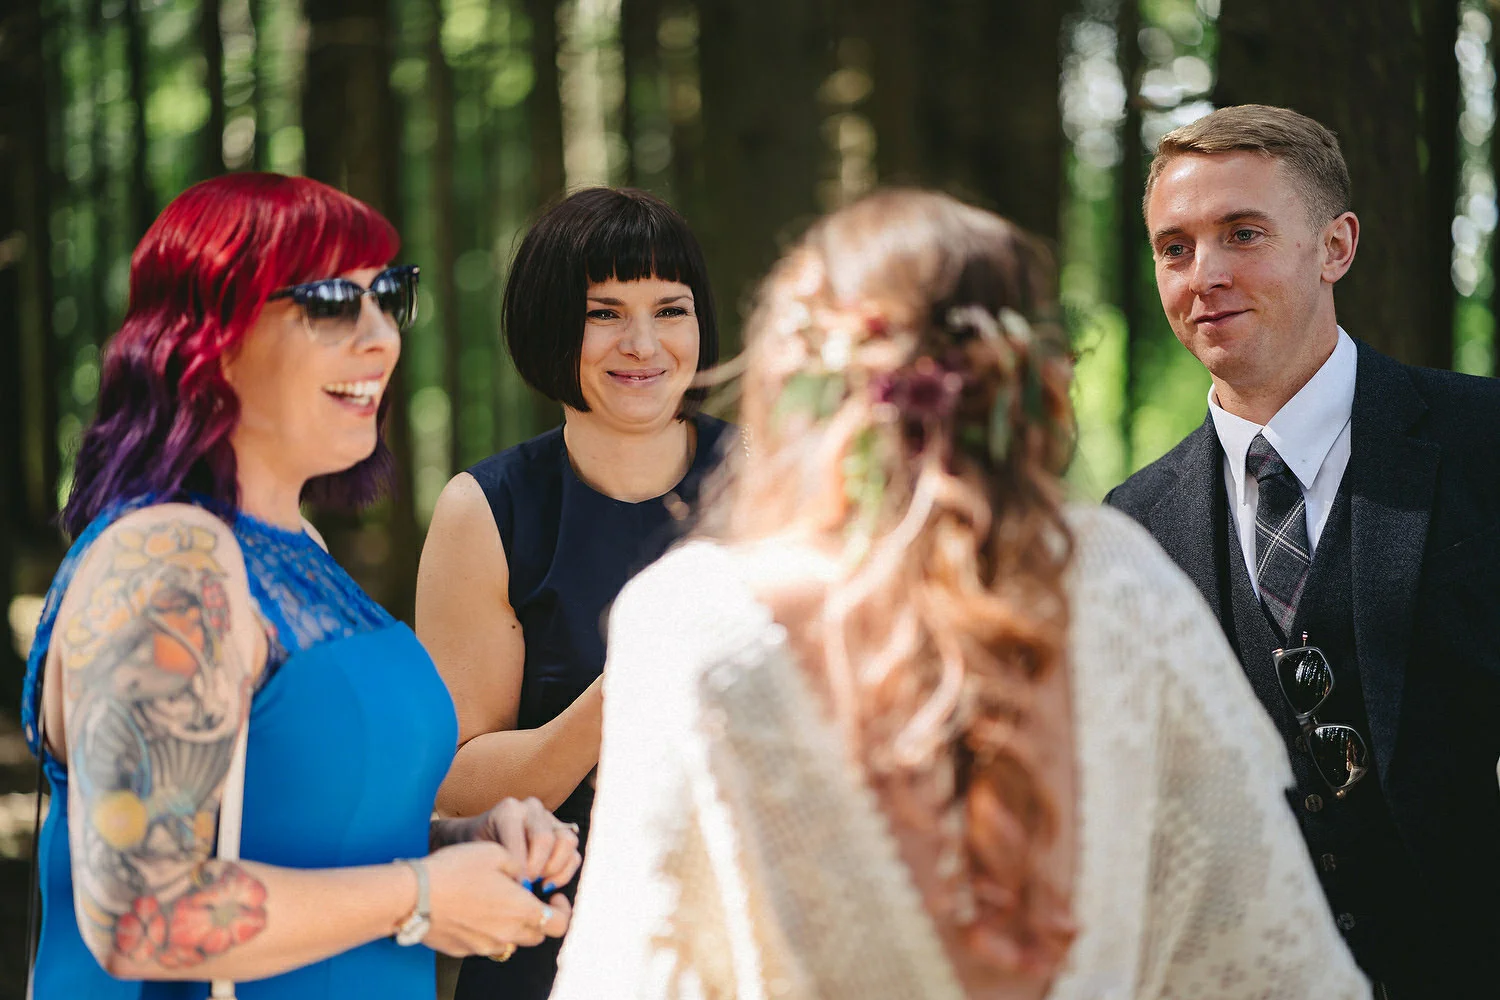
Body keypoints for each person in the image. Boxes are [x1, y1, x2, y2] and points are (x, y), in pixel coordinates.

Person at [550, 189, 1370, 999]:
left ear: (793, 373)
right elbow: (1276, 959)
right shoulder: (1120, 581)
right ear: (1024, 377)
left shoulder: (698, 622)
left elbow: (632, 969)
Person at [20, 173, 580, 1000]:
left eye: (388, 297)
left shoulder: (298, 551)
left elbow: (291, 824)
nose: (381, 337)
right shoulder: (166, 561)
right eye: (329, 303)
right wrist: (421, 899)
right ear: (209, 335)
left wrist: (460, 843)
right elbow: (139, 910)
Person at [1105, 104, 1500, 997]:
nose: (1204, 274)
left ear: (1336, 247)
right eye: (1174, 247)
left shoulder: (1485, 443)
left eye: (1242, 233)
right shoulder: (1131, 524)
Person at [415, 187, 730, 1000]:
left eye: (671, 309)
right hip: (555, 946)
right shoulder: (486, 511)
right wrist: (631, 682)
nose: (643, 344)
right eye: (604, 313)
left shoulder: (775, 482)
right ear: (549, 324)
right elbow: (455, 781)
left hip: (746, 939)